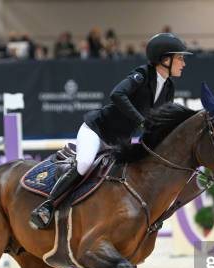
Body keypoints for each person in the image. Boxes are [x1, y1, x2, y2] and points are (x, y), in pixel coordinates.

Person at [29, 32, 192, 229]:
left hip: (119, 141)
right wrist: (141, 121)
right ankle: (48, 206)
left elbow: (162, 122)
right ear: (165, 59)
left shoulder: (168, 88)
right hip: (97, 130)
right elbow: (117, 94)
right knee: (85, 163)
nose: (183, 63)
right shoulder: (141, 76)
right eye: (180, 58)